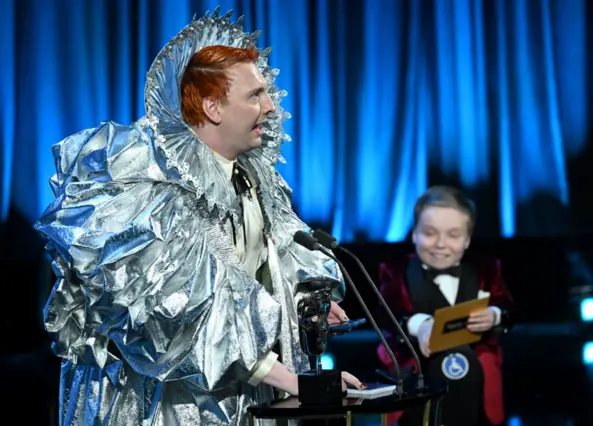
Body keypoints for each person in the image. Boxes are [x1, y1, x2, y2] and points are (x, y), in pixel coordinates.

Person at [34, 9, 360, 426]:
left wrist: (304, 303)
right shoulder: (151, 191)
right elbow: (176, 323)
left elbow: (274, 261)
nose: (271, 107)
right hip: (169, 403)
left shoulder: (255, 178)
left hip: (243, 394)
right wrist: (296, 381)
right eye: (256, 95)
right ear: (213, 107)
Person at [376, 186, 514, 426]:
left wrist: (494, 315)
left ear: (467, 239)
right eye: (429, 233)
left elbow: (507, 306)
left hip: (477, 386)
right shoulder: (396, 271)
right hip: (415, 383)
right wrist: (420, 326)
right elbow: (387, 313)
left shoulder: (486, 269)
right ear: (414, 234)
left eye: (453, 235)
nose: (440, 244)